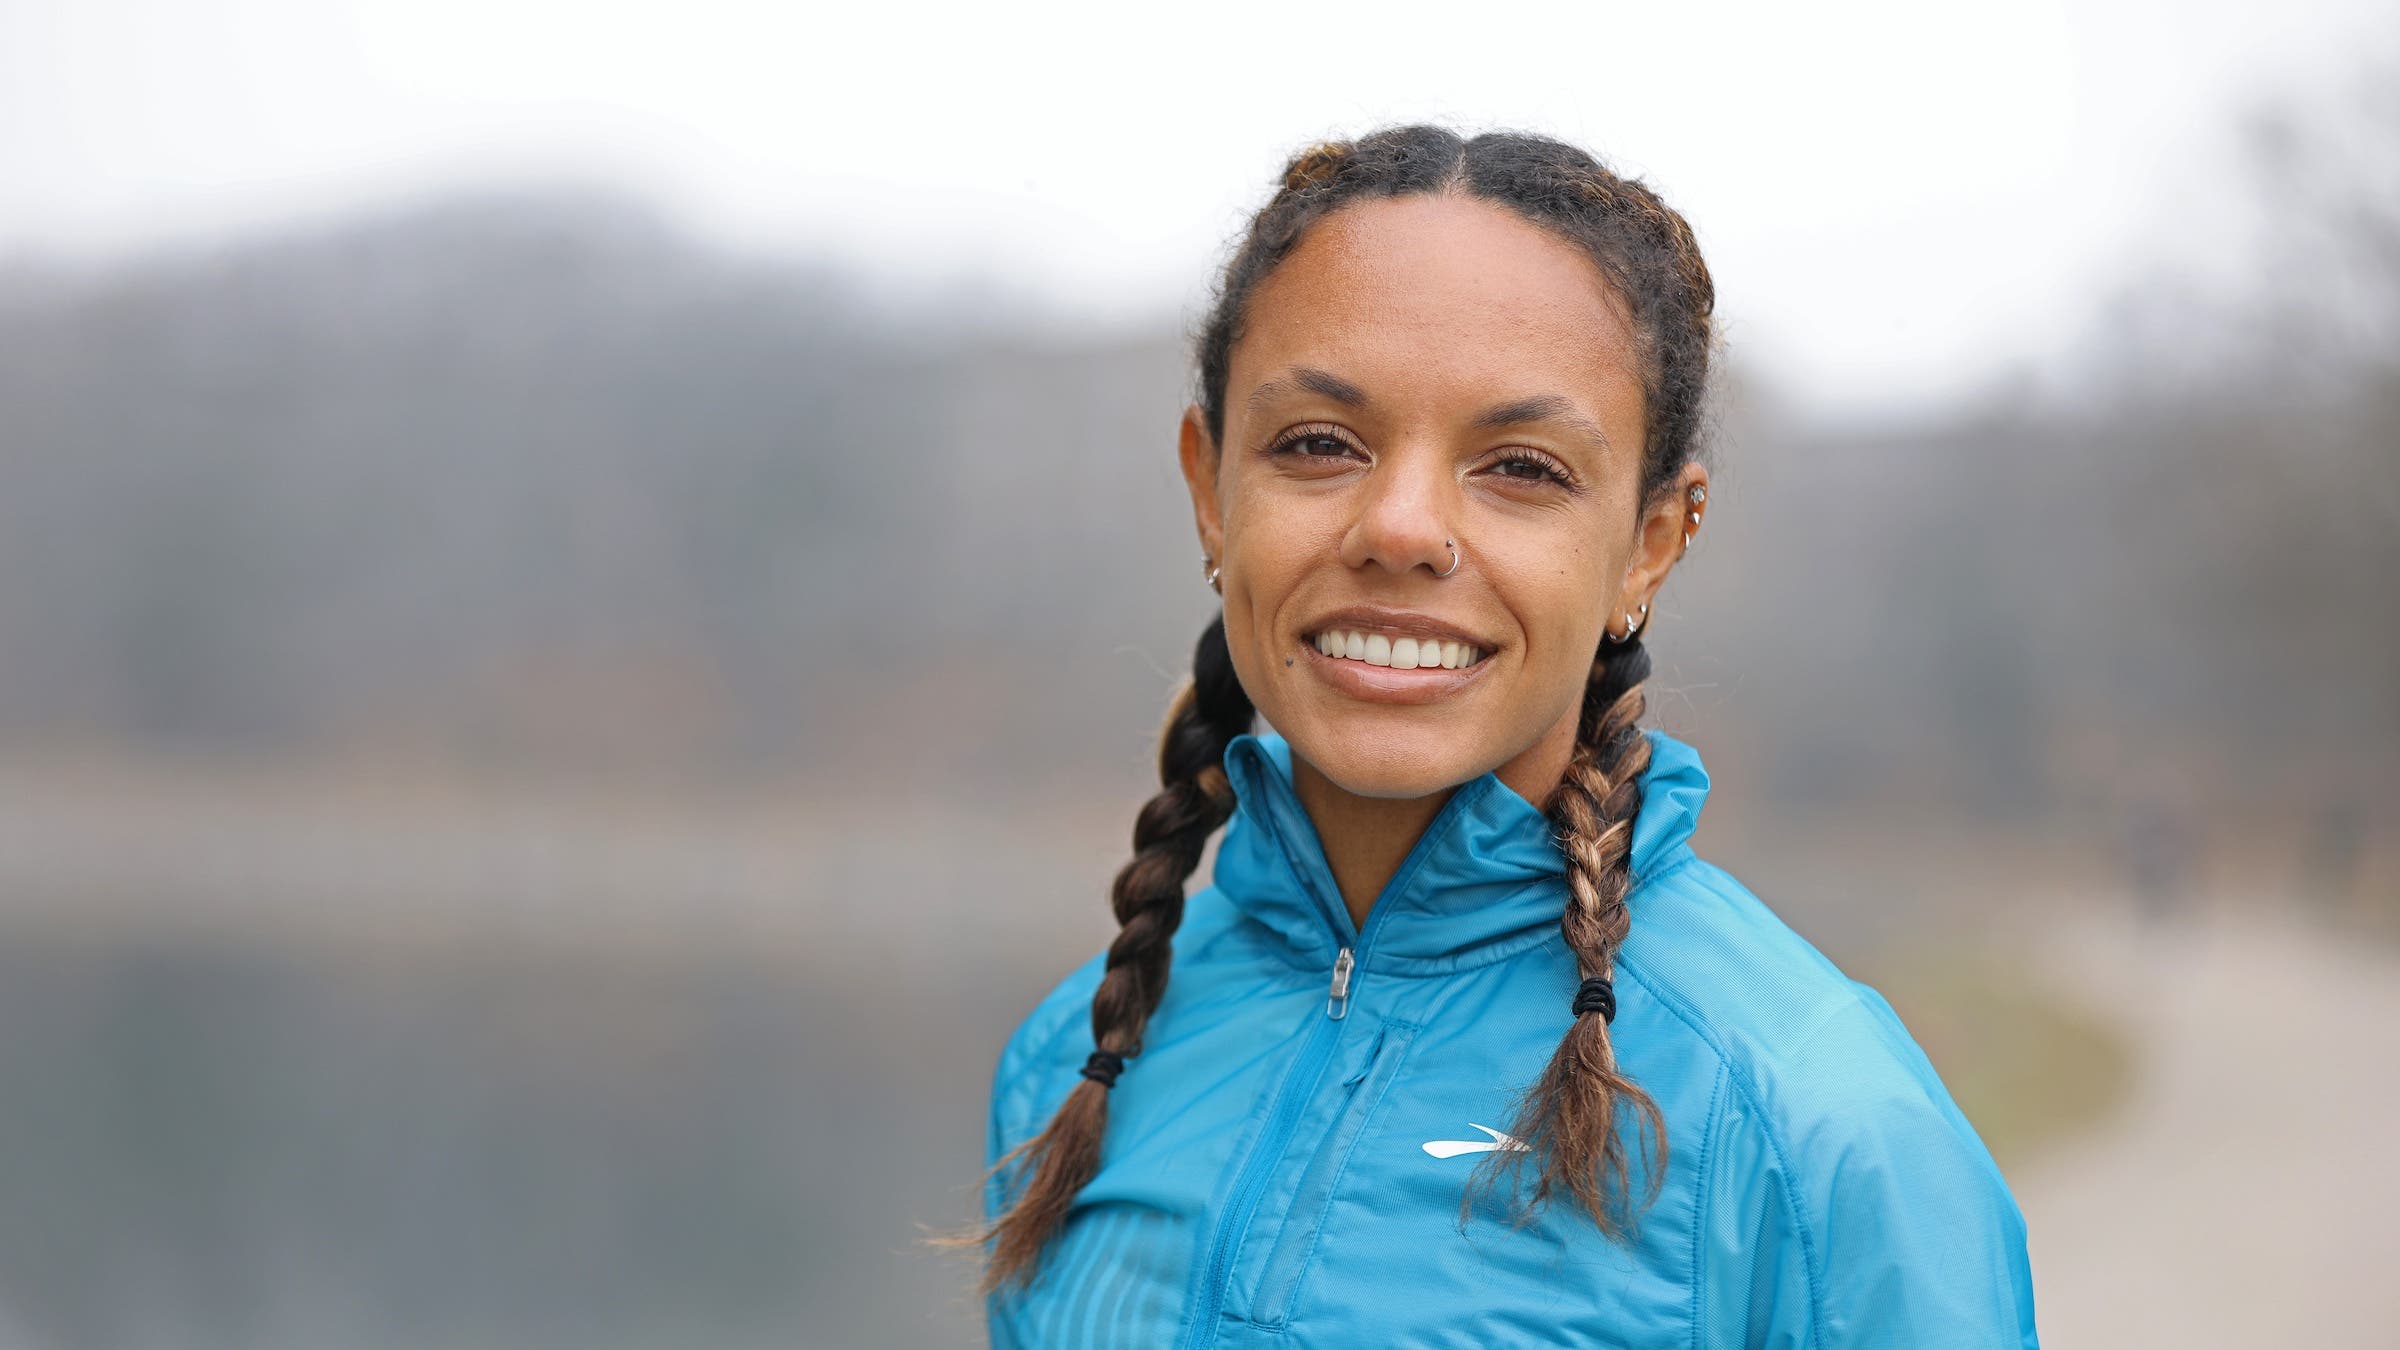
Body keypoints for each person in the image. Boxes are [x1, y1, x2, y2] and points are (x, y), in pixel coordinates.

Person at [947, 124, 2040, 1348]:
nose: (1403, 527)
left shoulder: (1815, 1129)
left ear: (1651, 542)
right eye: (1319, 444)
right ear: (1212, 488)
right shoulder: (1076, 1065)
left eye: (1520, 466)